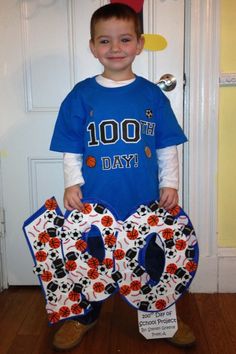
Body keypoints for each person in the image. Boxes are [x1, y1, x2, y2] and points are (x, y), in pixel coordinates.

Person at [50, 3, 195, 351]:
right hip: (96, 205)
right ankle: (86, 314)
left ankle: (161, 315)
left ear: (139, 44)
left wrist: (170, 184)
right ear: (92, 47)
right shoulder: (81, 95)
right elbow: (72, 147)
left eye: (124, 39)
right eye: (105, 41)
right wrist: (73, 183)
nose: (115, 48)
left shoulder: (151, 94)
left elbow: (166, 146)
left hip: (145, 203)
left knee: (154, 261)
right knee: (93, 261)